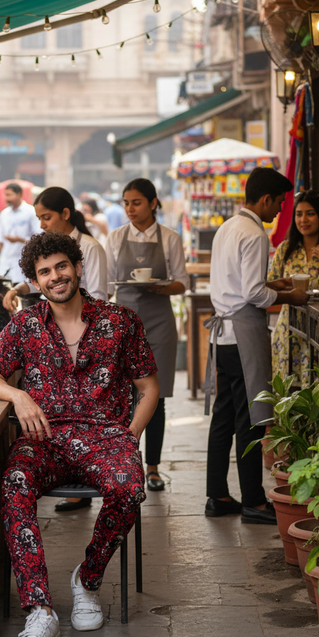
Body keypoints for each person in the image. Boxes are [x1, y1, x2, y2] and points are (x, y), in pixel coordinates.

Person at [0, 231, 159, 637]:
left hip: (106, 437)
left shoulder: (121, 320)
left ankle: (88, 580)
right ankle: (39, 611)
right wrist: (19, 396)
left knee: (130, 488)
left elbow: (149, 388)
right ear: (35, 282)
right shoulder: (25, 324)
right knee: (13, 483)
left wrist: (128, 437)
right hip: (45, 440)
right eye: (44, 272)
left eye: (61, 266)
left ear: (76, 266)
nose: (55, 277)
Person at [204, 167, 309, 525]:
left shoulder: (228, 227)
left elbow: (242, 283)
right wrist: (288, 294)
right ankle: (253, 501)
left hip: (224, 335)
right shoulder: (255, 233)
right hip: (242, 333)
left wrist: (271, 284)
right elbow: (253, 294)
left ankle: (217, 495)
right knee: (249, 419)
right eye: (279, 202)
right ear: (265, 199)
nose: (280, 210)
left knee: (223, 418)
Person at [106, 178, 189, 492]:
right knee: (127, 397)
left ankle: (153, 468)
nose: (130, 209)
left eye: (136, 202)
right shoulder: (115, 238)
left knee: (159, 397)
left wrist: (162, 287)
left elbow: (182, 283)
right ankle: (128, 463)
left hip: (160, 323)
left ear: (153, 203)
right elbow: (110, 282)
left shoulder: (170, 238)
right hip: (125, 323)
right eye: (126, 203)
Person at [268, 190, 319, 384]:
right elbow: (270, 288)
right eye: (299, 214)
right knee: (289, 394)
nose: (303, 219)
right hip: (288, 331)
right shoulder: (285, 250)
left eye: (310, 213)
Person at [3, 187, 108, 314]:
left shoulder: (91, 247)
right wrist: (14, 291)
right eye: (39, 219)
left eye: (46, 218)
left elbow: (97, 295)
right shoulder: (46, 245)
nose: (42, 225)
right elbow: (35, 282)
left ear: (65, 214)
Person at [0, 183, 39, 283]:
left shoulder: (30, 212)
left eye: (9, 195)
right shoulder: (4, 214)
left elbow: (38, 237)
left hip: (23, 260)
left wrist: (20, 240)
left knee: (22, 291)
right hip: (6, 260)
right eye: (5, 195)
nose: (7, 198)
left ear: (18, 194)